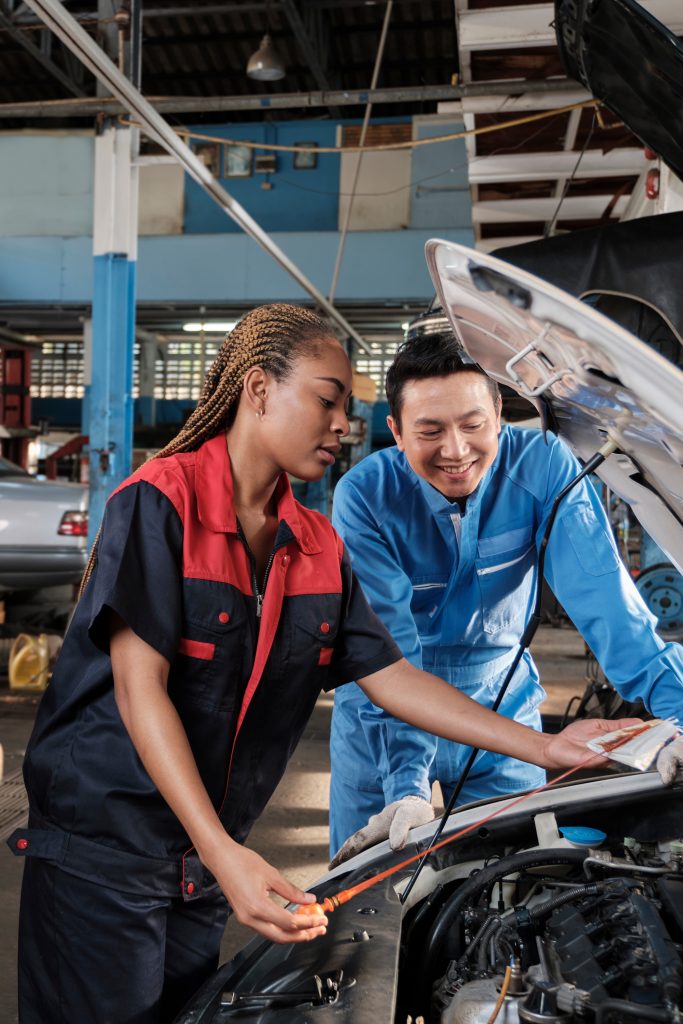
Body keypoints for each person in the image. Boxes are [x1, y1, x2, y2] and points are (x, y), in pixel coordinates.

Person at [10, 305, 627, 1024]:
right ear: (258, 389)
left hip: (200, 861)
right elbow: (138, 690)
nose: (343, 425)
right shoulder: (159, 502)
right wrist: (223, 855)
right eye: (328, 401)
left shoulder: (313, 545)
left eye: (346, 409)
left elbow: (394, 678)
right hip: (103, 853)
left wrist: (547, 748)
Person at [328, 331, 683, 864]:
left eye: (473, 425)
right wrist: (406, 786)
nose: (455, 451)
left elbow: (610, 605)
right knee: (362, 890)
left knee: (515, 879)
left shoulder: (545, 466)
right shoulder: (364, 497)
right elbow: (391, 659)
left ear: (499, 416)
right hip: (381, 723)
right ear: (395, 430)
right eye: (430, 431)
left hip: (503, 714)